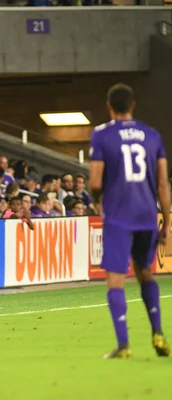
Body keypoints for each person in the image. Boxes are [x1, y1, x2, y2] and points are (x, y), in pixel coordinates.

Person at [88, 83, 170, 359]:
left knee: (115, 279)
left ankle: (124, 345)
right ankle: (157, 332)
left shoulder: (102, 135)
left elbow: (95, 180)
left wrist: (98, 201)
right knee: (145, 273)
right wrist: (167, 222)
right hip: (147, 214)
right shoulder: (152, 135)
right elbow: (162, 184)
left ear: (109, 106)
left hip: (119, 215)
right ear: (133, 105)